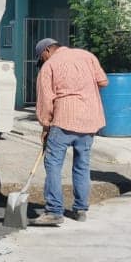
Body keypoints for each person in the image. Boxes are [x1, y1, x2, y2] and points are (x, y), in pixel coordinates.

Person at [33, 37, 107, 226]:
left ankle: (54, 211)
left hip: (64, 120)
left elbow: (45, 100)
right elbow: (103, 81)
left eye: (41, 57)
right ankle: (81, 209)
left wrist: (45, 126)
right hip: (89, 120)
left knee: (53, 164)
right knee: (82, 165)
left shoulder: (49, 66)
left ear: (47, 51)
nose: (42, 61)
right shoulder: (87, 56)